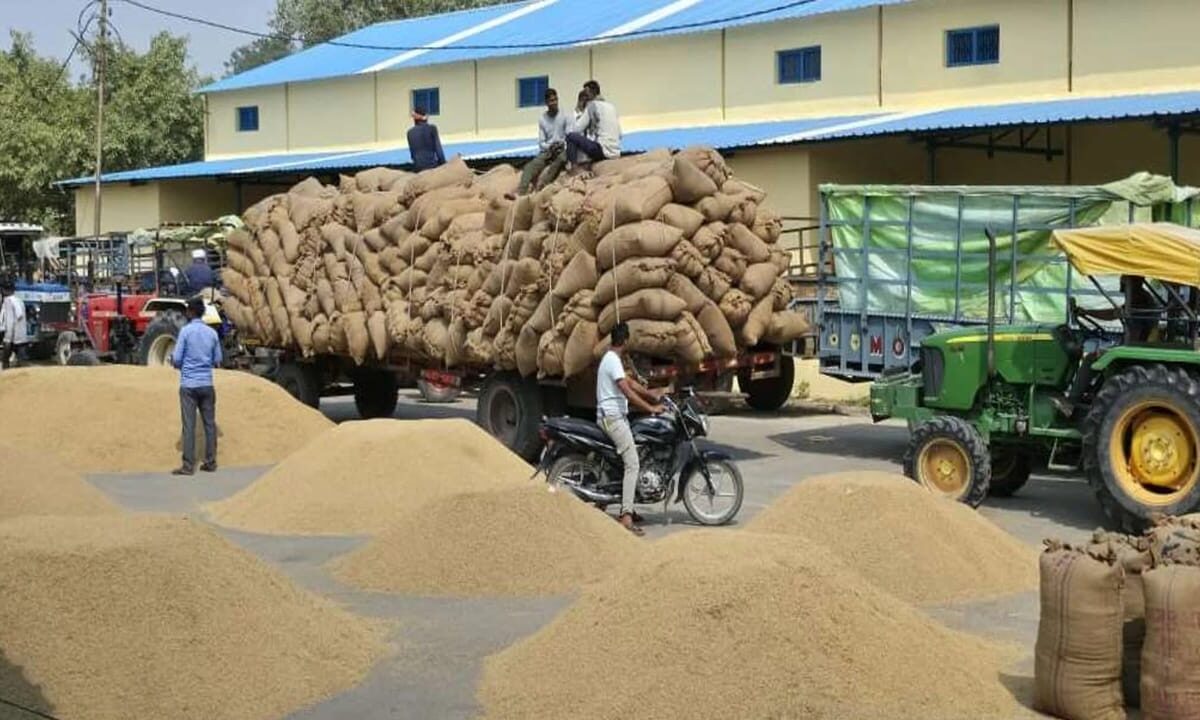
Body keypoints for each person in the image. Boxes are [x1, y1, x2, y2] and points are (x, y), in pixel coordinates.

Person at [596, 321, 664, 535]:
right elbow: (627, 391)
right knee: (632, 463)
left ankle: (628, 505)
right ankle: (626, 516)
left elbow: (632, 384)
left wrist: (651, 393)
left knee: (637, 452)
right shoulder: (612, 360)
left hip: (615, 417)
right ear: (625, 340)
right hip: (613, 419)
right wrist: (651, 408)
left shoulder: (612, 359)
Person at [171, 297, 222, 475]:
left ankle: (188, 466)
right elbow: (217, 360)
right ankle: (210, 462)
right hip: (207, 384)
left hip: (189, 385)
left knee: (189, 426)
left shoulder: (185, 332)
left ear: (190, 312)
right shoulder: (212, 334)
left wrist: (181, 364)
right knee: (209, 424)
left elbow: (176, 358)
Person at [517, 88, 571, 194]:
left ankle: (543, 187)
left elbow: (570, 135)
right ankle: (521, 193)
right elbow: (541, 143)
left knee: (561, 159)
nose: (554, 103)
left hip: (563, 149)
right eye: (551, 101)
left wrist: (562, 144)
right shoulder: (542, 119)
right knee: (529, 167)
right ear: (546, 103)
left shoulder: (565, 115)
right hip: (549, 150)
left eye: (556, 100)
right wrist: (549, 147)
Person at [566, 80, 621, 168]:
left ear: (591, 92)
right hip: (616, 152)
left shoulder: (592, 105)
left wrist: (579, 110)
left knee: (571, 136)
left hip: (602, 151)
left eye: (586, 94)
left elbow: (577, 129)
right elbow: (620, 134)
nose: (586, 97)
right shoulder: (611, 107)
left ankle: (574, 168)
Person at [0, 279, 28, 370]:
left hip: (12, 337)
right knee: (22, 361)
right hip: (21, 336)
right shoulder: (19, 300)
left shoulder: (8, 301)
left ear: (4, 290)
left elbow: (10, 321)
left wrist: (8, 338)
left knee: (5, 360)